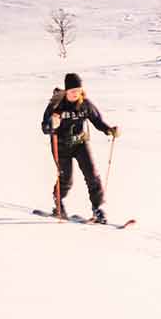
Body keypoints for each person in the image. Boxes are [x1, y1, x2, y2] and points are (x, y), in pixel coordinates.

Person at [40, 73, 119, 223]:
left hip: (80, 144)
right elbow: (44, 127)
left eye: (78, 90)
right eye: (72, 91)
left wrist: (109, 130)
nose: (76, 93)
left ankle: (98, 209)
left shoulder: (85, 104)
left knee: (92, 175)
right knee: (66, 179)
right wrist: (51, 124)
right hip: (61, 146)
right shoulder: (56, 105)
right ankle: (58, 203)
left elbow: (97, 120)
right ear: (66, 91)